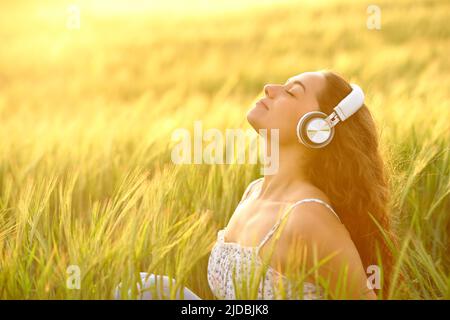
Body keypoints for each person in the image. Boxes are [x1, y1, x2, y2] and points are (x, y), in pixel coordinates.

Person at [115, 70, 393, 300]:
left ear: (316, 128)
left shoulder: (307, 218)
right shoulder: (253, 193)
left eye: (292, 91)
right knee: (140, 289)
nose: (270, 88)